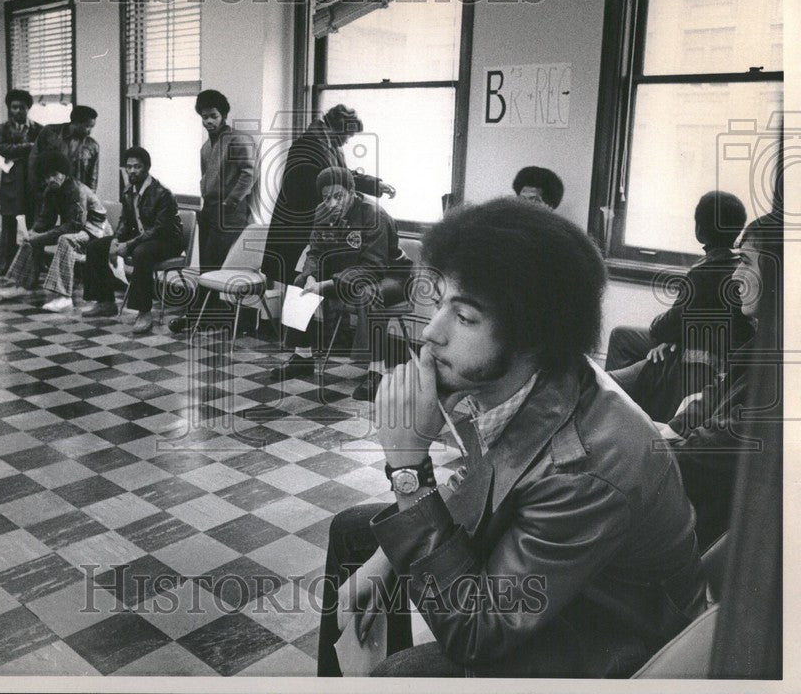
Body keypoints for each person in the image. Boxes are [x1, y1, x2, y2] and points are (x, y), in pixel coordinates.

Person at [316, 197, 705, 678]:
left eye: (465, 318)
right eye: (440, 305)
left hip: (606, 635)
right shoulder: (526, 377)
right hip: (563, 577)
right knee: (356, 532)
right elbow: (483, 478)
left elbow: (475, 633)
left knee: (400, 674)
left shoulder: (583, 470)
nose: (431, 334)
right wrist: (383, 559)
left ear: (530, 334)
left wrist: (408, 470)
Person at [656, 211, 781, 550]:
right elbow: (713, 394)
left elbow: (703, 455)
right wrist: (674, 426)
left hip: (694, 521)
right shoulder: (764, 341)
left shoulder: (779, 371)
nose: (736, 275)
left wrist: (639, 444)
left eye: (748, 263)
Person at [608, 191, 754, 421]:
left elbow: (665, 326)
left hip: (694, 350)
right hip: (704, 343)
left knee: (619, 342)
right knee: (626, 337)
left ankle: (619, 407)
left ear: (700, 231)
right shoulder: (737, 262)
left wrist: (668, 334)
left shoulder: (704, 272)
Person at [272, 167, 411, 401]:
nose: (332, 203)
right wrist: (310, 275)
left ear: (352, 192)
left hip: (391, 277)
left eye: (339, 196)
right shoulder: (321, 212)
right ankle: (302, 356)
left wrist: (326, 285)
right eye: (327, 198)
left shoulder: (374, 215)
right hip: (347, 272)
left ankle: (376, 372)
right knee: (299, 282)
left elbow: (373, 266)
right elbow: (315, 252)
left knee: (368, 293)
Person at [263, 104, 396, 284]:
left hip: (312, 222)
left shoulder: (330, 145)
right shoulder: (308, 145)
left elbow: (343, 176)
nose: (348, 141)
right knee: (297, 280)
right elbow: (328, 182)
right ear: (339, 128)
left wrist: (375, 185)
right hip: (297, 224)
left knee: (305, 280)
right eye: (348, 135)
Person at [169, 89, 256, 334]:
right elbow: (205, 177)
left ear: (223, 115)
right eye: (204, 117)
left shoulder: (239, 140)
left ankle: (211, 317)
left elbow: (248, 175)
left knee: (222, 266)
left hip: (231, 212)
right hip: (208, 210)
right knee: (208, 266)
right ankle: (204, 316)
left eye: (213, 116)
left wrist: (230, 203)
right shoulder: (206, 147)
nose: (208, 121)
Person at [81, 147, 182, 331]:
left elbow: (158, 229)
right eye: (129, 167)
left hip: (168, 242)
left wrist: (128, 245)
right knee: (96, 246)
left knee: (140, 252)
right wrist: (115, 240)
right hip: (142, 239)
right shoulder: (129, 191)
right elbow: (125, 221)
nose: (132, 171)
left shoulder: (162, 193)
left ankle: (144, 312)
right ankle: (105, 302)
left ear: (147, 168)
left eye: (137, 166)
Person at [0, 150, 111, 309]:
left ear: (64, 172)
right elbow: (45, 219)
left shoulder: (77, 190)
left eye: (54, 174)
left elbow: (74, 226)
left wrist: (39, 237)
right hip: (78, 230)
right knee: (32, 239)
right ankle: (22, 285)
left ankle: (64, 296)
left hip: (97, 234)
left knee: (65, 240)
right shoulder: (51, 191)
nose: (50, 179)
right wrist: (33, 233)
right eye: (46, 176)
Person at [0, 89, 43, 275]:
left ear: (28, 108)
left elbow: (43, 150)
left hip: (32, 181)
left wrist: (21, 150)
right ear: (9, 108)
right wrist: (30, 147)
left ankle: (33, 264)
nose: (18, 111)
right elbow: (4, 149)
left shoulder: (39, 128)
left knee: (34, 223)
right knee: (9, 222)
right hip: (11, 182)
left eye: (22, 107)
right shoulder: (2, 129)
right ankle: (4, 265)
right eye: (14, 107)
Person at [27, 105, 99, 226]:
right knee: (40, 228)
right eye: (87, 126)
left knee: (69, 231)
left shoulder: (93, 146)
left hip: (73, 196)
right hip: (47, 191)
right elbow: (34, 161)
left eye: (92, 127)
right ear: (75, 123)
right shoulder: (49, 133)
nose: (90, 131)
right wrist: (38, 189)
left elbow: (93, 178)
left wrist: (87, 201)